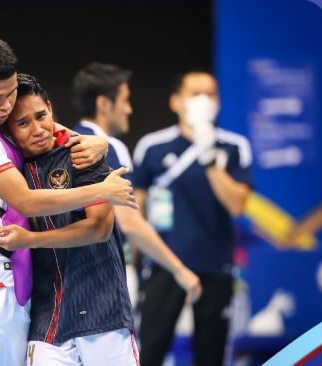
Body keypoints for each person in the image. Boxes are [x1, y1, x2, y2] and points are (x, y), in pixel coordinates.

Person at [0, 34, 137, 366]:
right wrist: (101, 190)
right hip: (20, 305)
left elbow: (99, 226)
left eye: (10, 94)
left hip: (91, 308)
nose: (4, 105)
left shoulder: (77, 152)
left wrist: (98, 143)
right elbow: (26, 201)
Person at [0, 73, 139, 365]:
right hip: (45, 318)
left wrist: (30, 240)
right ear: (8, 130)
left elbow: (99, 228)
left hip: (101, 309)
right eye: (23, 123)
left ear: (51, 109)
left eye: (41, 116)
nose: (38, 129)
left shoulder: (82, 154)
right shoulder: (8, 172)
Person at [132, 70, 252, 366]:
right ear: (176, 101)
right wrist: (133, 264)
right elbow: (137, 212)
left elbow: (237, 205)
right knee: (150, 351)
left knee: (210, 355)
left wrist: (208, 151)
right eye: (194, 94)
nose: (203, 100)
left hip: (216, 266)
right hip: (164, 265)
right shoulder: (152, 146)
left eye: (209, 94)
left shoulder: (234, 146)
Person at [71, 62, 201, 306]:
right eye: (125, 100)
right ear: (104, 104)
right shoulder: (108, 145)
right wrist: (179, 270)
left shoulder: (69, 140)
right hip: (104, 276)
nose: (129, 109)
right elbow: (129, 222)